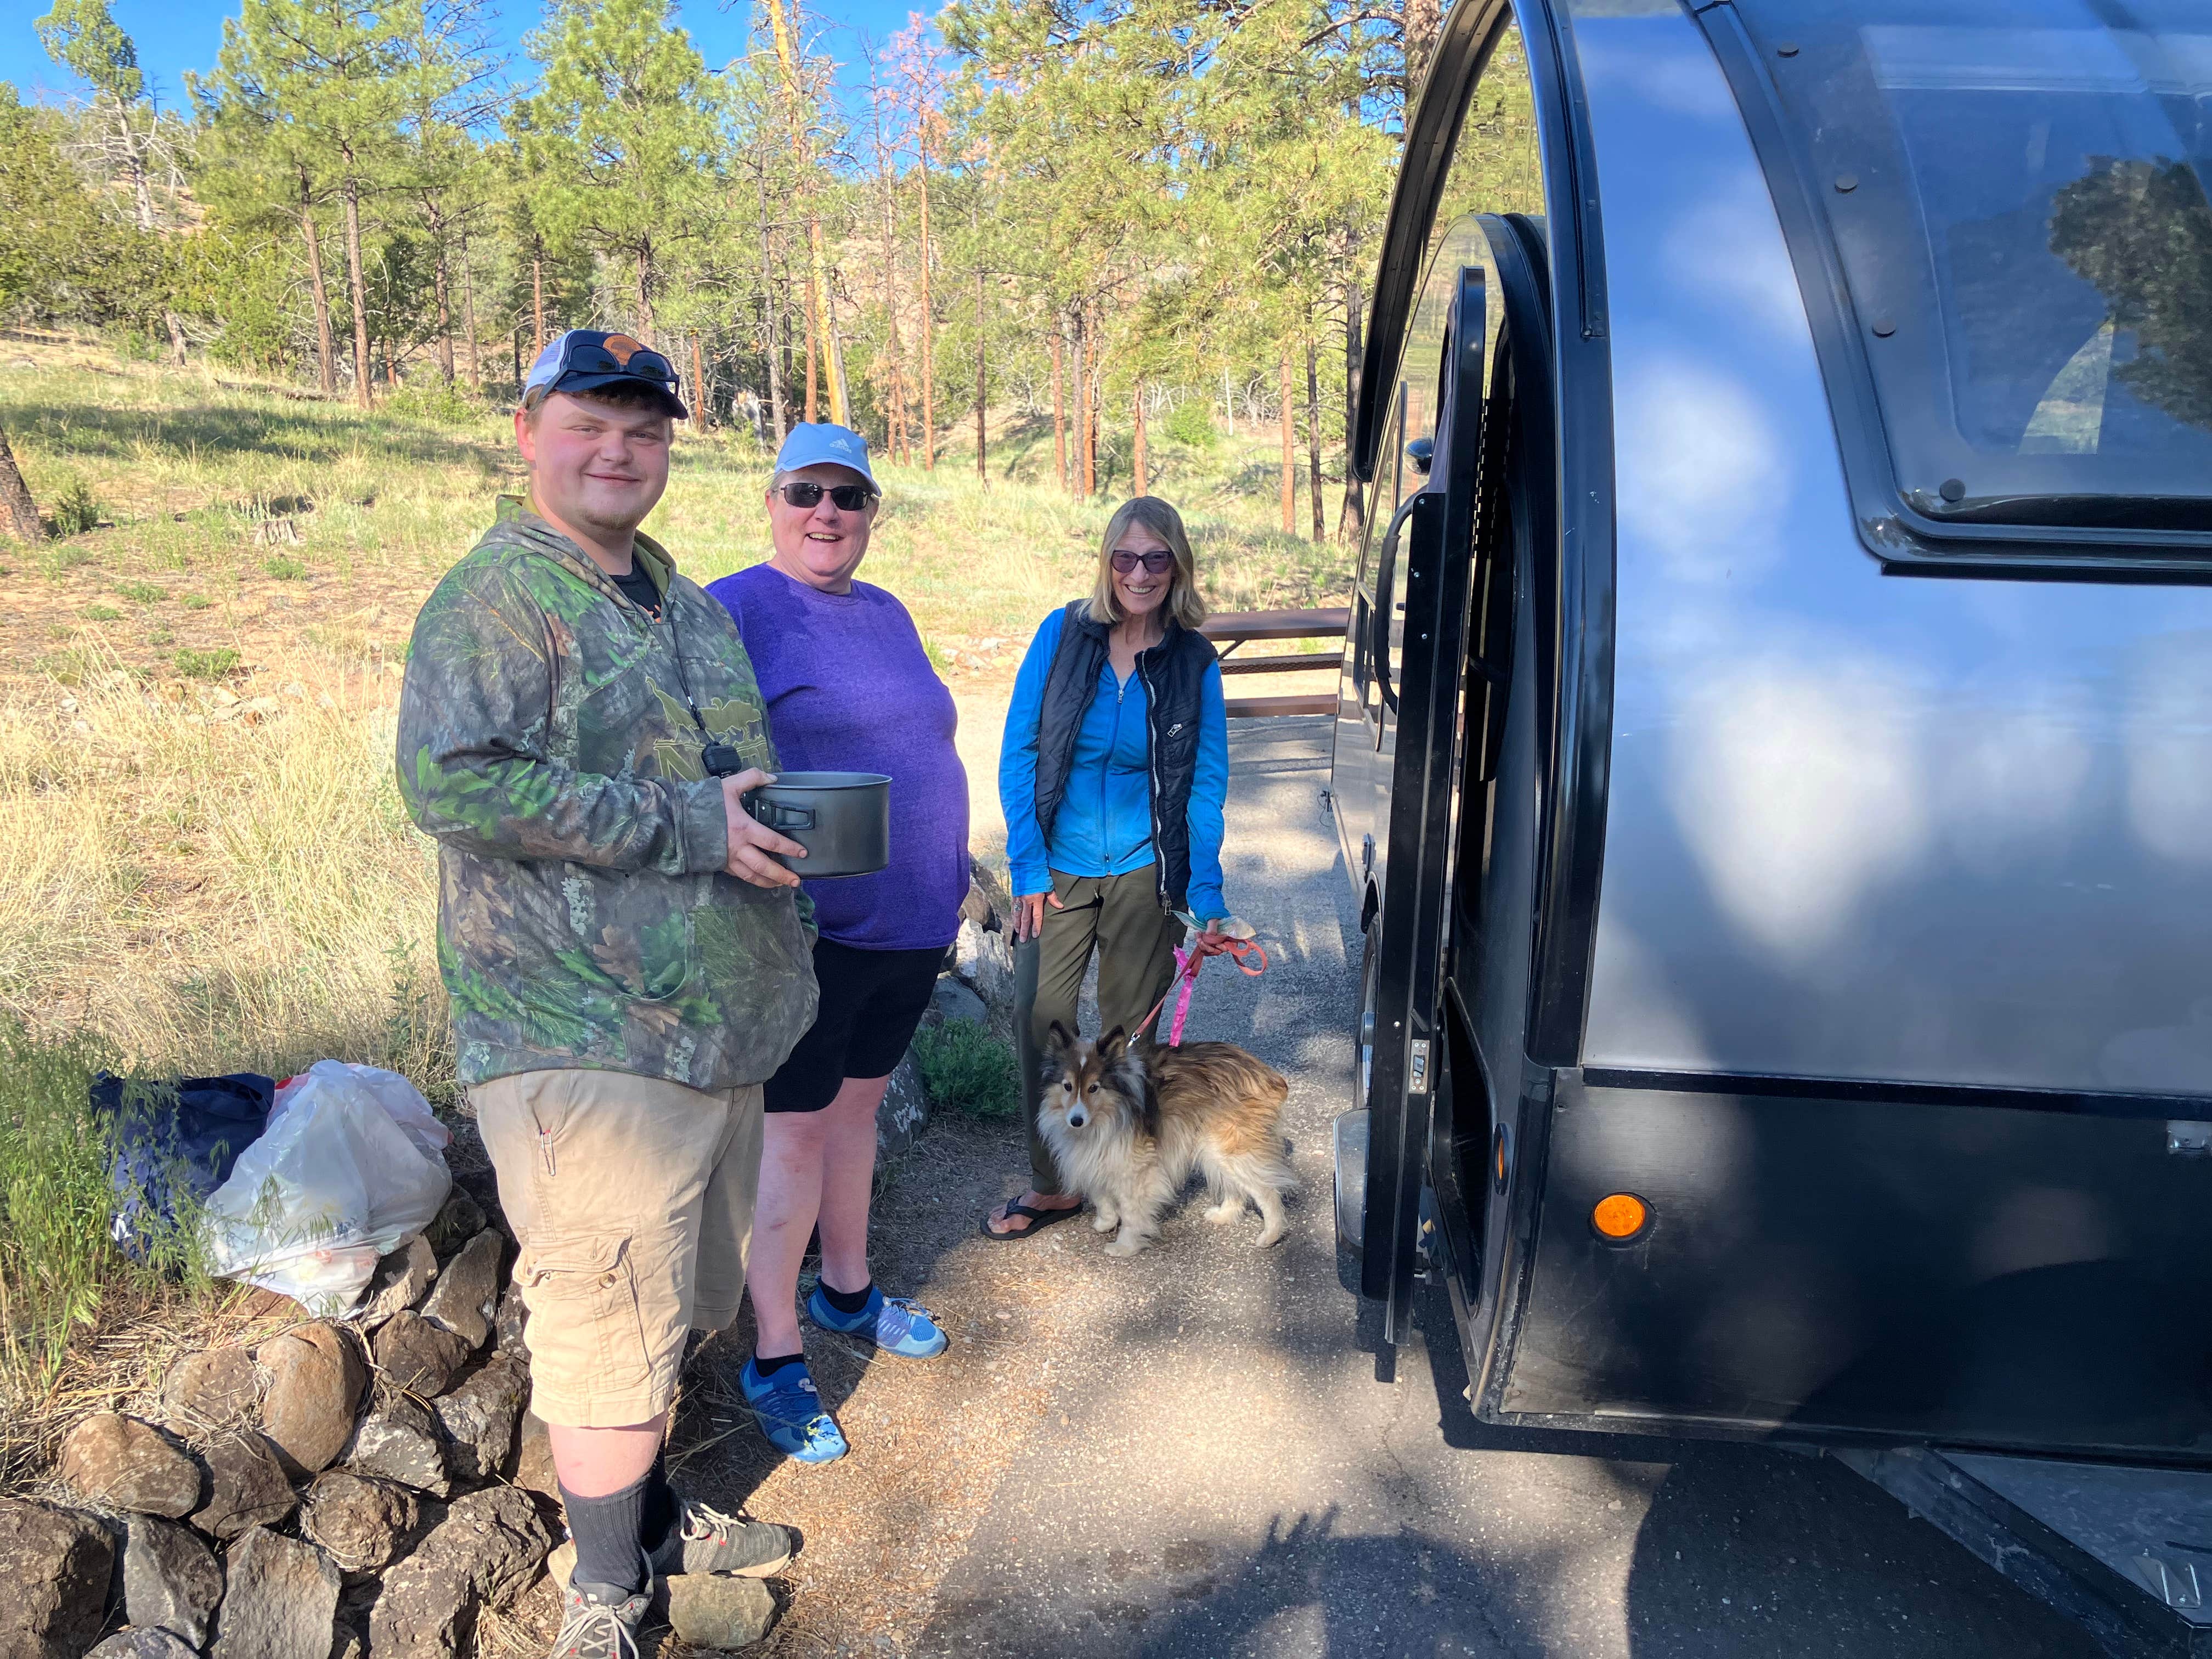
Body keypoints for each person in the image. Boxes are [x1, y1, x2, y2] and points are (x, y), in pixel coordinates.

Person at [396, 330, 817, 1659]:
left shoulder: (681, 604)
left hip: (714, 1030)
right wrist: (690, 826)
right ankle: (606, 1599)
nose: (620, 448)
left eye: (646, 427)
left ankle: (645, 1520)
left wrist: (784, 837)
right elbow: (452, 781)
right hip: (583, 1034)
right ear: (529, 430)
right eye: (592, 421)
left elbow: (726, 779)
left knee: (672, 1305)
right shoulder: (498, 596)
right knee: (601, 1322)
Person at [706, 423, 964, 1464]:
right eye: (806, 492)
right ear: (772, 502)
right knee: (793, 1140)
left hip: (912, 925)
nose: (827, 514)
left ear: (871, 517)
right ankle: (774, 1356)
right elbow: (699, 758)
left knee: (857, 1115)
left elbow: (920, 744)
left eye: (848, 498)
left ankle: (848, 1292)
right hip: (814, 931)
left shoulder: (887, 611)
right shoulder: (734, 607)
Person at [985, 495, 1239, 1240]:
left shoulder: (1193, 661)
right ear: (1107, 561)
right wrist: (1026, 865)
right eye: (1125, 557)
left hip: (1142, 871)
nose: (1139, 572)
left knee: (1128, 1041)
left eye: (1156, 558)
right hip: (1055, 872)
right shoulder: (1064, 636)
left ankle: (1124, 1176)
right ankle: (1053, 1182)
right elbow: (1019, 752)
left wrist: (1205, 893)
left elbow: (1206, 781)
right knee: (1042, 1019)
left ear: (1176, 566)